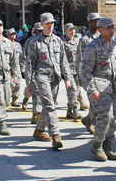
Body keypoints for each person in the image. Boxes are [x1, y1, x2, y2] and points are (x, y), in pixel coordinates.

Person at [80, 17, 116, 161]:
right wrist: (91, 89)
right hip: (99, 86)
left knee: (113, 117)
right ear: (100, 30)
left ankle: (108, 145)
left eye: (112, 27)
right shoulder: (92, 46)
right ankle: (97, 145)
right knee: (105, 116)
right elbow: (86, 71)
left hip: (114, 86)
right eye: (108, 28)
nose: (111, 30)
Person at [25, 12, 72, 149]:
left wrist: (67, 78)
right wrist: (29, 82)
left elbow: (64, 61)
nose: (50, 25)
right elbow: (30, 64)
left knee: (48, 106)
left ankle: (39, 131)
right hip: (42, 77)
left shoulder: (58, 41)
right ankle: (55, 136)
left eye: (52, 23)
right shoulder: (35, 42)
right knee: (50, 106)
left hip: (55, 78)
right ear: (42, 24)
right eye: (48, 23)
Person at [76, 13, 102, 134]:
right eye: (94, 21)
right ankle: (92, 122)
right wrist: (80, 76)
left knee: (100, 101)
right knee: (94, 101)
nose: (96, 23)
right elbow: (79, 59)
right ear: (90, 22)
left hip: (102, 75)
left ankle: (88, 119)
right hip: (90, 75)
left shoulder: (103, 36)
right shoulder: (84, 39)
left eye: (98, 20)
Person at [20, 22, 43, 122]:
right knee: (35, 92)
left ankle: (38, 112)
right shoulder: (30, 41)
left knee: (40, 93)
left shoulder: (45, 40)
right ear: (35, 30)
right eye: (39, 30)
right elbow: (24, 56)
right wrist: (23, 69)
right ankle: (35, 113)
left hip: (43, 71)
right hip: (32, 70)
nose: (40, 32)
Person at [63, 23, 81, 121]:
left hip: (77, 70)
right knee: (72, 90)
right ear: (66, 31)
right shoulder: (63, 43)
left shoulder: (77, 42)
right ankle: (75, 110)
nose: (72, 31)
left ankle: (69, 111)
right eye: (70, 30)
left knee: (76, 91)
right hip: (68, 71)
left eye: (73, 29)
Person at [6, 28, 23, 107]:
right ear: (8, 35)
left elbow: (22, 57)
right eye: (11, 34)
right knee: (9, 84)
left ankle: (15, 99)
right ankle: (7, 99)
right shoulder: (5, 44)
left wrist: (22, 68)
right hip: (8, 68)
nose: (13, 35)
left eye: (14, 34)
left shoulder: (18, 45)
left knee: (18, 84)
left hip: (17, 68)